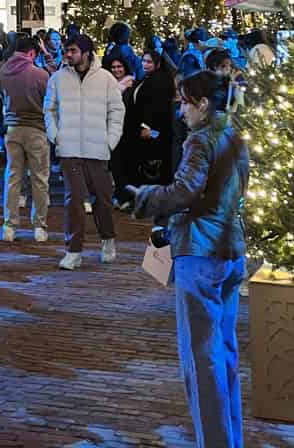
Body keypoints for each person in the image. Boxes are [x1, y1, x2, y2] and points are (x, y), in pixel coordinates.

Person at [128, 71, 248, 448]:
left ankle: (215, 442)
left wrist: (145, 198)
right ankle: (229, 439)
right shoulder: (235, 134)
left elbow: (185, 191)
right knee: (223, 355)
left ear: (203, 104)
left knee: (202, 361)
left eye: (185, 103)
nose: (181, 111)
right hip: (230, 250)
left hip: (200, 253)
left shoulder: (201, 139)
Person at [44, 32, 125, 270]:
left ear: (86, 53)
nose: (68, 55)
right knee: (74, 200)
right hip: (69, 148)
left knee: (103, 199)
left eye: (73, 51)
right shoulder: (58, 78)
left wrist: (110, 140)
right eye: (66, 50)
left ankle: (107, 238)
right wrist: (55, 135)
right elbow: (49, 109)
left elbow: (116, 110)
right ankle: (73, 250)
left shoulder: (106, 79)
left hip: (98, 148)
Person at [0, 34, 50, 243]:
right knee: (39, 179)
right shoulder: (39, 74)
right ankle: (39, 227)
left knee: (12, 178)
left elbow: (0, 96)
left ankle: (9, 226)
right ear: (31, 53)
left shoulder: (3, 72)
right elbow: (49, 101)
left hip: (12, 129)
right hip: (37, 129)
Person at [131, 49, 175, 186]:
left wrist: (151, 130)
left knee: (153, 169)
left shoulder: (161, 81)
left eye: (149, 62)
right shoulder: (147, 78)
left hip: (154, 133)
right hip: (146, 131)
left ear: (157, 64)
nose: (145, 64)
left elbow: (159, 110)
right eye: (143, 61)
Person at [104, 55, 136, 209]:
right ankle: (119, 196)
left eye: (119, 66)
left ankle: (127, 198)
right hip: (111, 129)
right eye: (113, 67)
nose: (116, 70)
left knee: (125, 165)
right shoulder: (106, 85)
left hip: (128, 130)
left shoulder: (132, 85)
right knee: (115, 165)